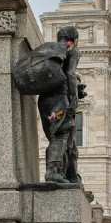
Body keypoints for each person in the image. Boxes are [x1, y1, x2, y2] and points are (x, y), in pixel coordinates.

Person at [38, 26, 84, 186]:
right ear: (74, 39)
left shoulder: (50, 50)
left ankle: (70, 174)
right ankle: (53, 171)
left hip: (45, 100)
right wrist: (74, 97)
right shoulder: (71, 50)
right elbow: (70, 74)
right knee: (61, 134)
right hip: (60, 101)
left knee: (66, 137)